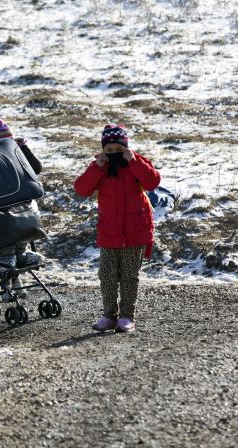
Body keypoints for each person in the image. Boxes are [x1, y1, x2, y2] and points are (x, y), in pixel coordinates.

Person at [74, 124, 161, 333]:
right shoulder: (99, 168)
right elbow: (81, 189)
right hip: (109, 233)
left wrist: (134, 161)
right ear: (104, 150)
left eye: (118, 150)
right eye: (109, 150)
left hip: (135, 231)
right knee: (107, 274)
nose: (113, 154)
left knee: (130, 276)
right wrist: (96, 167)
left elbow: (152, 181)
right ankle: (109, 315)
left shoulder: (136, 163)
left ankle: (126, 316)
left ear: (126, 148)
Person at [0, 118, 44, 301]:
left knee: (18, 250)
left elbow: (36, 168)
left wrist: (24, 149)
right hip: (3, 215)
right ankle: (8, 287)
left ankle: (16, 283)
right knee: (7, 254)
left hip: (20, 213)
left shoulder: (18, 155)